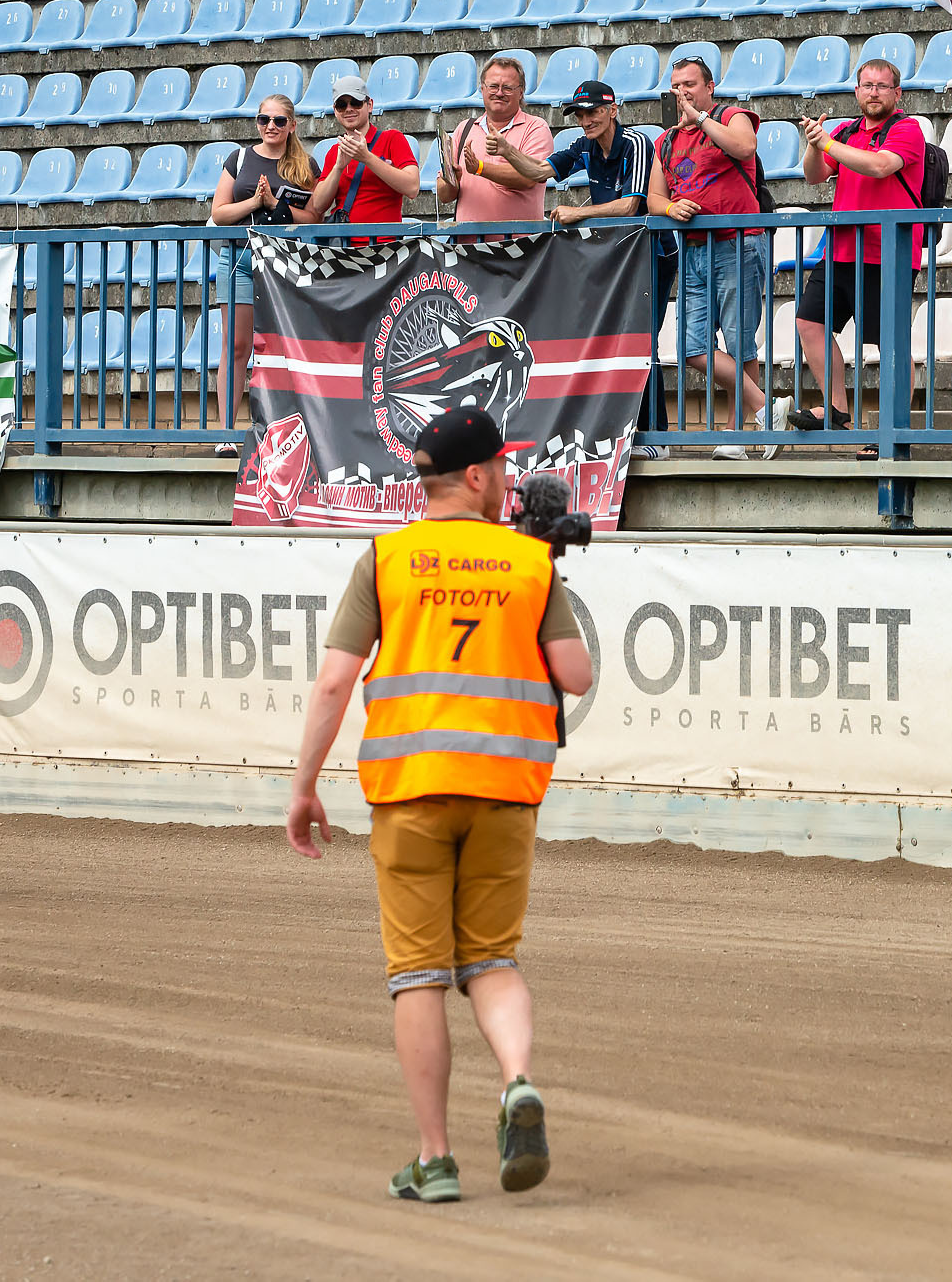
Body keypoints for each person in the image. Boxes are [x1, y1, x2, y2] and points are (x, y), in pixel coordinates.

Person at [286, 405, 594, 1203]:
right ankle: (518, 1079)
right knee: (491, 960)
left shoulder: (388, 559)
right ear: (480, 475)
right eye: (502, 468)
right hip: (503, 792)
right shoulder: (527, 563)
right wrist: (540, 568)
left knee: (418, 975)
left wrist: (304, 784)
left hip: (411, 791)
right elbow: (576, 674)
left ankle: (434, 1158)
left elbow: (333, 680)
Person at [648, 55, 779, 459]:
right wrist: (672, 210)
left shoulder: (731, 115)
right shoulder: (666, 140)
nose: (682, 92)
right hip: (693, 249)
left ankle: (739, 434)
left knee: (740, 343)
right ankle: (764, 409)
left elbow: (745, 146)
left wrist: (701, 119)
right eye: (675, 86)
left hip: (736, 242)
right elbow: (654, 198)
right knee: (692, 346)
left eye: (689, 84)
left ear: (709, 88)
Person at [793, 57, 928, 447]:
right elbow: (814, 175)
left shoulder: (908, 129)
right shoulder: (847, 131)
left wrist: (829, 142)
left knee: (890, 343)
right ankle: (837, 413)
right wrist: (816, 146)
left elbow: (881, 166)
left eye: (881, 86)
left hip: (888, 252)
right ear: (856, 92)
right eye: (866, 85)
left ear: (897, 93)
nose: (873, 92)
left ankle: (892, 428)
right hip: (841, 248)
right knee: (809, 323)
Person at [546, 80, 672, 452]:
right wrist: (495, 158)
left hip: (653, 253)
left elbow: (632, 205)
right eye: (580, 114)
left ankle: (657, 436)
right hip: (617, 258)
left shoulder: (635, 142)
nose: (586, 120)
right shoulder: (585, 146)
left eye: (594, 111)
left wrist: (578, 213)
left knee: (643, 341)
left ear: (613, 110)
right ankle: (627, 431)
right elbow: (542, 172)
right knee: (619, 342)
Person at [209, 90, 318, 455]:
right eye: (263, 119)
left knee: (282, 348)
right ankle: (225, 433)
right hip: (240, 260)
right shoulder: (239, 158)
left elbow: (315, 217)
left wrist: (275, 205)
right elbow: (219, 213)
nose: (270, 126)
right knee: (236, 346)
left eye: (278, 121)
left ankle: (285, 435)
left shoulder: (305, 164)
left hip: (285, 263)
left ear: (292, 126)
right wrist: (255, 202)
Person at [437, 56, 553, 224]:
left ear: (521, 92)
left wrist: (480, 168)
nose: (499, 93)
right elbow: (444, 196)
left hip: (520, 246)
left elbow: (529, 177)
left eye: (507, 87)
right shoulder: (464, 129)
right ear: (482, 89)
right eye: (493, 86)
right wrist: (451, 181)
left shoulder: (535, 127)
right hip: (468, 245)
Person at [304, 74, 421, 238]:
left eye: (356, 103)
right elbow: (318, 205)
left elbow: (412, 188)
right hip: (344, 248)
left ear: (370, 105)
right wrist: (338, 168)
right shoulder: (334, 151)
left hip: (386, 247)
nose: (349, 109)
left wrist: (367, 158)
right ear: (336, 111)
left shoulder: (392, 139)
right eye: (341, 105)